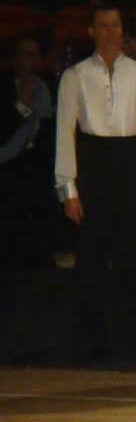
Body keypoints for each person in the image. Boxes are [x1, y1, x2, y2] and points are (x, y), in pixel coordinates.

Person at [55, 3, 136, 358]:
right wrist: (68, 188)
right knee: (91, 257)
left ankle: (132, 339)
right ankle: (91, 341)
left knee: (131, 257)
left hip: (130, 168)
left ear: (123, 30)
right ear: (91, 31)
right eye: (102, 26)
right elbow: (65, 134)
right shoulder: (74, 76)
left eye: (115, 26)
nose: (109, 33)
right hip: (93, 168)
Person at [0, 38, 56, 271]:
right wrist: (22, 104)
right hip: (7, 164)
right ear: (15, 59)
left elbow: (50, 130)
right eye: (25, 55)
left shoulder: (48, 86)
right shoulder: (3, 86)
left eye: (35, 56)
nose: (30, 61)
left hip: (36, 165)